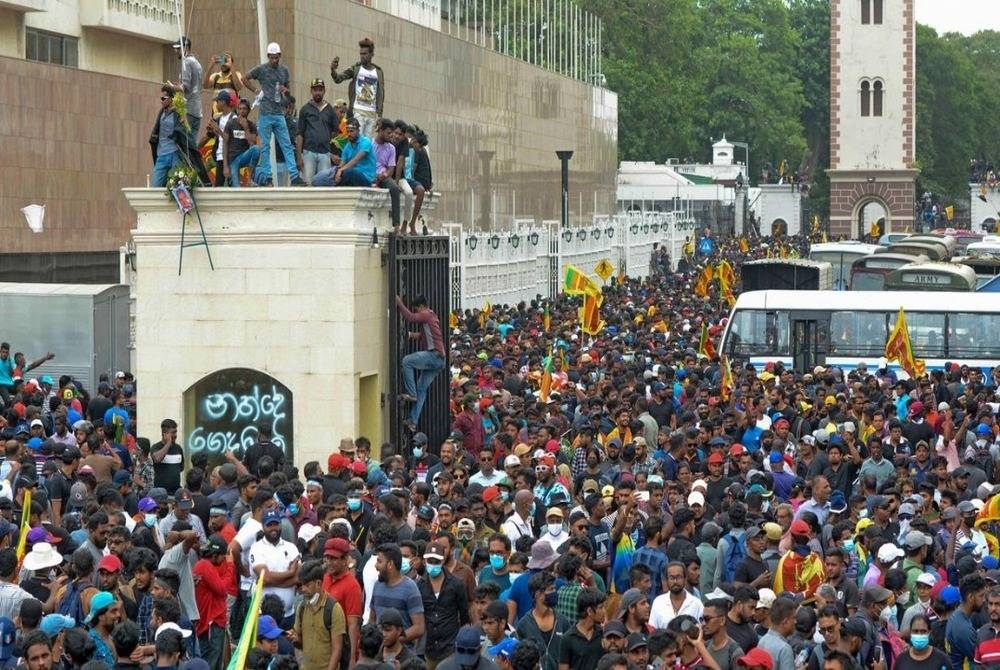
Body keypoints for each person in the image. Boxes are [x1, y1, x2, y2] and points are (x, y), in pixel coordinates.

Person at [241, 42, 306, 186]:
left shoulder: (284, 71)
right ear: (268, 56)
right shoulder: (262, 69)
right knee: (265, 147)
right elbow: (244, 78)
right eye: (271, 58)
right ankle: (268, 177)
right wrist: (256, 91)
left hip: (278, 113)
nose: (274, 61)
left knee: (287, 144)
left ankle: (294, 176)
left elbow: (288, 93)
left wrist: (286, 91)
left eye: (276, 58)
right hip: (265, 113)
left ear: (280, 56)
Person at [394, 294, 445, 431]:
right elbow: (426, 336)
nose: (417, 312)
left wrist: (399, 303)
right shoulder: (432, 316)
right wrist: (410, 335)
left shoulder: (426, 314)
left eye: (417, 309)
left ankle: (411, 394)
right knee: (422, 389)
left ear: (421, 306)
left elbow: (410, 317)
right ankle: (412, 421)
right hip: (440, 359)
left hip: (433, 356)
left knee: (407, 361)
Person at [418, 541, 469, 666]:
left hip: (451, 649)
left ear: (442, 561)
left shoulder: (456, 584)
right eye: (430, 561)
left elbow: (464, 617)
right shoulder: (419, 586)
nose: (433, 564)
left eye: (436, 561)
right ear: (424, 562)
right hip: (428, 649)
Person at [291, 559, 346, 670]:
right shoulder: (301, 607)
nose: (303, 589)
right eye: (302, 585)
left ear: (318, 583)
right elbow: (300, 644)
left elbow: (337, 649)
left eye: (307, 585)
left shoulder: (333, 609)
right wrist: (295, 639)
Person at [329, 38, 386, 138]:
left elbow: (381, 94)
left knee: (367, 143)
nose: (362, 56)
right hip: (357, 111)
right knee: (357, 139)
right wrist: (333, 70)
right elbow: (338, 79)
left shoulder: (378, 72)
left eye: (365, 54)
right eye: (361, 54)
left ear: (371, 54)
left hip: (371, 114)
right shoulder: (356, 68)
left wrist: (379, 116)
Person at [296, 79, 339, 185]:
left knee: (324, 184)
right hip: (308, 152)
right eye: (315, 90)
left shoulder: (330, 110)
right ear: (311, 91)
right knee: (308, 183)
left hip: (325, 154)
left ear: (324, 91)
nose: (318, 92)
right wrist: (299, 157)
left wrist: (324, 138)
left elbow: (335, 131)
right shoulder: (305, 109)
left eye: (320, 90)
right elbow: (300, 134)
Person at [312, 117, 376, 186]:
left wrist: (340, 170)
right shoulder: (347, 146)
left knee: (350, 172)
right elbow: (342, 164)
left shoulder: (366, 142)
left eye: (351, 131)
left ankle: (335, 187)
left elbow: (355, 161)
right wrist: (337, 172)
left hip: (365, 177)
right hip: (348, 173)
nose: (349, 134)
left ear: (358, 130)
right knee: (318, 178)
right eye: (348, 131)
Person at [558, 588, 606, 670]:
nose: (604, 611)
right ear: (590, 611)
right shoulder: (568, 638)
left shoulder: (602, 633)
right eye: (600, 608)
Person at [149, 86, 187, 188]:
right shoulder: (161, 112)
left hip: (175, 153)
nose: (161, 101)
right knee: (155, 186)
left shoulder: (179, 112)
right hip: (161, 154)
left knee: (178, 186)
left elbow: (184, 130)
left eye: (163, 98)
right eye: (160, 98)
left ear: (171, 99)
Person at [223, 98, 259, 188]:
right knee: (236, 188)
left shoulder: (251, 125)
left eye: (244, 109)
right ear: (237, 110)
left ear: (248, 111)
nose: (242, 111)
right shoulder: (231, 123)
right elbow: (225, 144)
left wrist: (246, 128)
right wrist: (225, 166)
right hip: (233, 159)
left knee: (256, 149)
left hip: (244, 156)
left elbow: (252, 143)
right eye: (240, 109)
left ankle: (250, 180)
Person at [756, 597, 795, 670]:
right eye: (793, 618)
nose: (795, 622)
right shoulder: (785, 649)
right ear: (785, 621)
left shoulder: (762, 641)